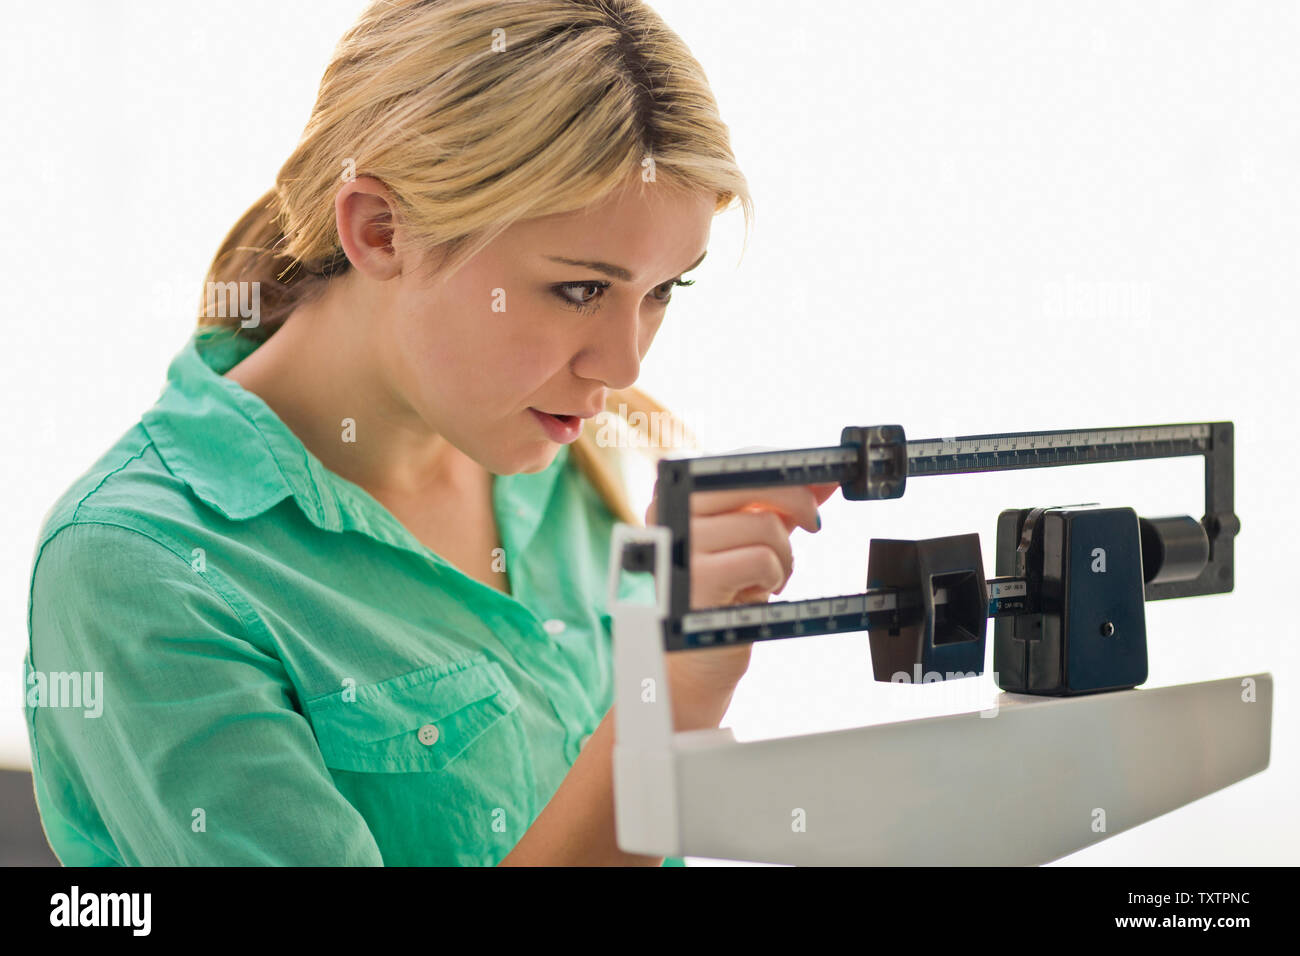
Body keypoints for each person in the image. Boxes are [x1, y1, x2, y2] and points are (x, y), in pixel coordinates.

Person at [23, 0, 836, 866]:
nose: (623, 365)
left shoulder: (568, 450)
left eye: (667, 288)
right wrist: (662, 701)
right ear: (380, 231)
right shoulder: (138, 568)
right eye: (578, 290)